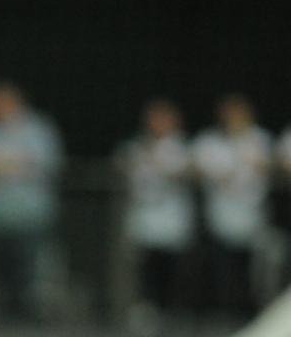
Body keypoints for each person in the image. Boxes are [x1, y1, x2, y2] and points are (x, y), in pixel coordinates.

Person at [0, 82, 64, 321]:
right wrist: (13, 164)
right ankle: (2, 315)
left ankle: (29, 315)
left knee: (30, 269)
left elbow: (47, 163)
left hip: (31, 215)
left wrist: (0, 165)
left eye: (3, 102)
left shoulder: (38, 129)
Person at [192, 94, 274, 318]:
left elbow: (270, 167)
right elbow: (196, 171)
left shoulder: (260, 139)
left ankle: (249, 313)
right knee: (222, 268)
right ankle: (222, 312)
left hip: (251, 216)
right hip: (221, 216)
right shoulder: (209, 141)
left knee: (251, 270)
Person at [117, 99, 196, 316]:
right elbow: (124, 166)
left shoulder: (182, 147)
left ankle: (172, 310)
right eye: (154, 119)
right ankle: (147, 309)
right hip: (145, 217)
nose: (158, 124)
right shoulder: (137, 146)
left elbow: (186, 172)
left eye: (163, 119)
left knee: (172, 267)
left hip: (171, 217)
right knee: (146, 267)